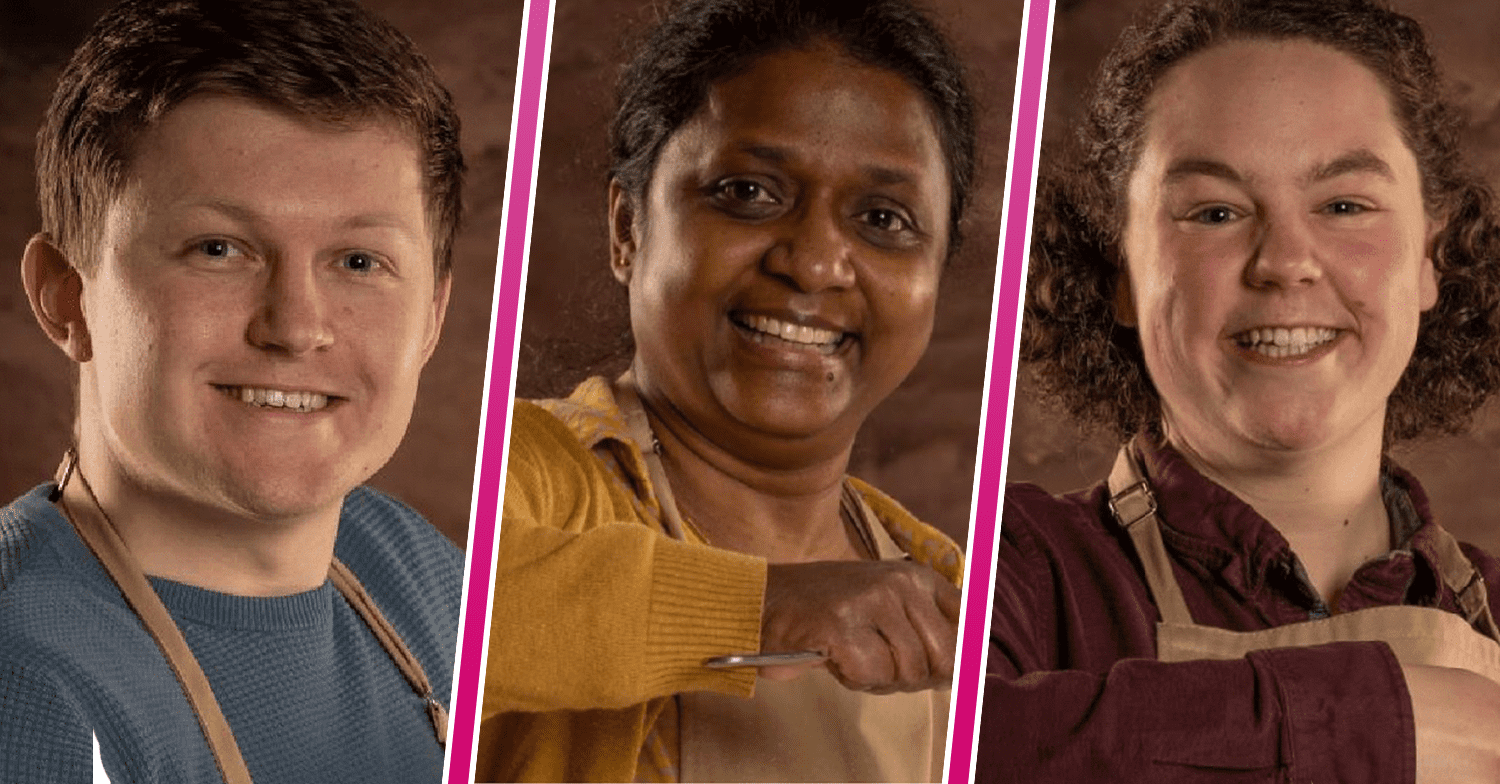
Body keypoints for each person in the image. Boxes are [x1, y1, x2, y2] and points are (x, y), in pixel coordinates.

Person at [979, 0, 1500, 781]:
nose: (1285, 262)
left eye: (1344, 205)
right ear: (1119, 270)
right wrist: (1375, 724)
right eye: (1215, 212)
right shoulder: (1005, 566)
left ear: (1431, 254)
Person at [475, 0, 979, 780]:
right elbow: (435, 609)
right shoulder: (523, 466)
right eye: (747, 192)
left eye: (883, 219)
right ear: (627, 228)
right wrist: (759, 606)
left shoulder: (946, 588)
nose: (814, 263)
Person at [0, 0, 466, 781]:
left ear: (432, 317)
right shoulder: (28, 686)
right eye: (218, 249)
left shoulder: (419, 573)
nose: (296, 327)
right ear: (65, 297)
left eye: (358, 262)